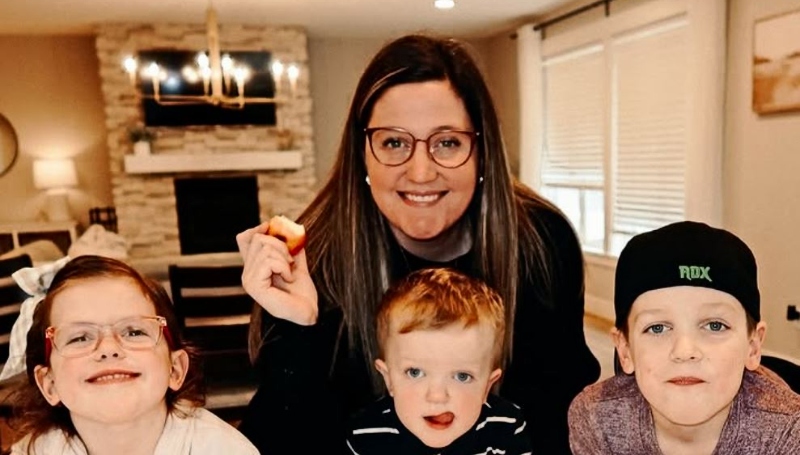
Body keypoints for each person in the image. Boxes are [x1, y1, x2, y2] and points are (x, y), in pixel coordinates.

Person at [236, 33, 600, 454]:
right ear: (362, 152)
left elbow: (562, 415)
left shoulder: (540, 241)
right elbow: (279, 443)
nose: (421, 172)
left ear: (482, 151)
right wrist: (295, 331)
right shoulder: (314, 258)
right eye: (394, 142)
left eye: (447, 142)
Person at [568, 221, 800, 454]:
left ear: (753, 347)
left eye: (715, 325)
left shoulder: (788, 432)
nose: (684, 351)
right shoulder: (596, 420)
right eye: (657, 328)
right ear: (625, 350)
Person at [8, 255, 259, 455]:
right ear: (49, 384)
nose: (108, 349)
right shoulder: (33, 452)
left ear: (175, 369)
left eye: (134, 332)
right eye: (80, 338)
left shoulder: (223, 449)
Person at [345, 268, 532, 454]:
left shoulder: (505, 427)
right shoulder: (367, 436)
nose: (437, 396)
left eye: (462, 376)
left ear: (487, 385)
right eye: (415, 372)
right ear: (389, 379)